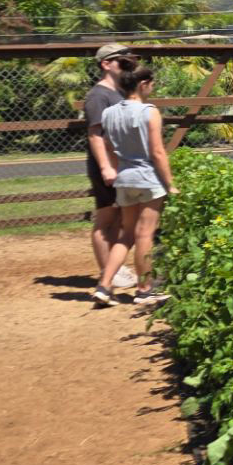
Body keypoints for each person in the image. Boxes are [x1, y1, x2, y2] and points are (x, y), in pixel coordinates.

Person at [91, 65, 176, 306]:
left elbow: (108, 146)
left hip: (124, 179)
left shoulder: (109, 113)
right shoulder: (149, 111)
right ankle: (145, 290)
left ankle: (104, 286)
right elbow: (158, 152)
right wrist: (170, 184)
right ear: (143, 84)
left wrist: (119, 168)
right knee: (145, 234)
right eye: (152, 83)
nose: (154, 87)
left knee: (125, 234)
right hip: (148, 178)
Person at [83, 42, 141, 292]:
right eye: (122, 61)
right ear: (106, 64)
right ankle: (107, 271)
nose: (128, 65)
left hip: (123, 163)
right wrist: (107, 167)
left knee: (120, 216)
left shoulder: (119, 93)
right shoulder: (98, 96)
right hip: (107, 165)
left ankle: (114, 268)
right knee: (106, 218)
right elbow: (96, 135)